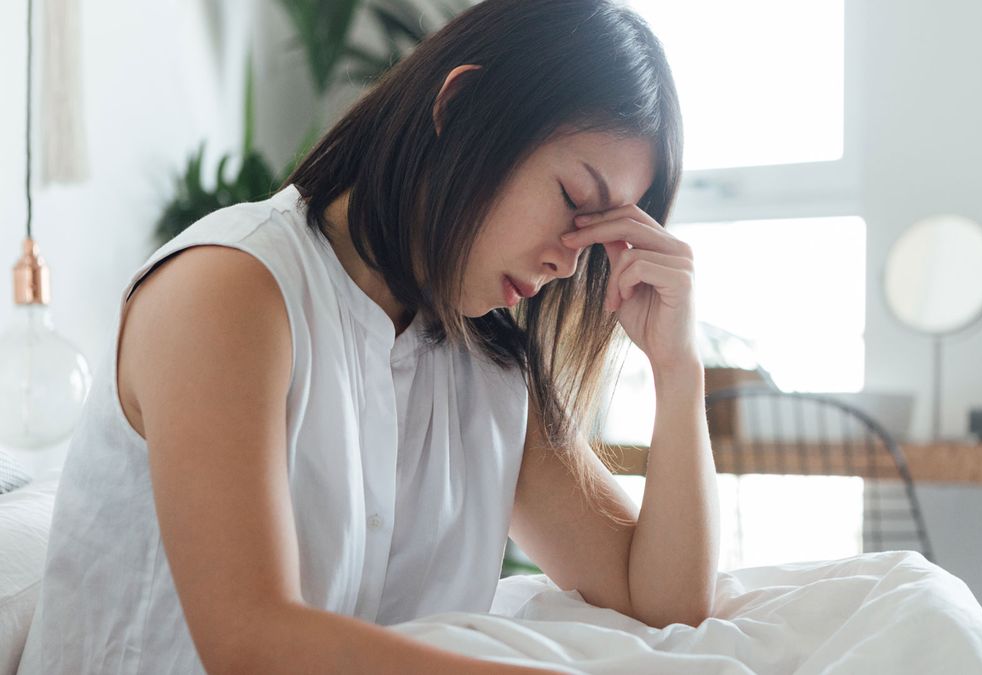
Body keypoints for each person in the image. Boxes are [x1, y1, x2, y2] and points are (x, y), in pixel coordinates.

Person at [17, 0, 719, 672]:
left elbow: (660, 601)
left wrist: (677, 368)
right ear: (461, 108)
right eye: (573, 200)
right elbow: (251, 643)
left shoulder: (487, 365)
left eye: (599, 237)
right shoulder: (231, 289)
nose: (570, 260)